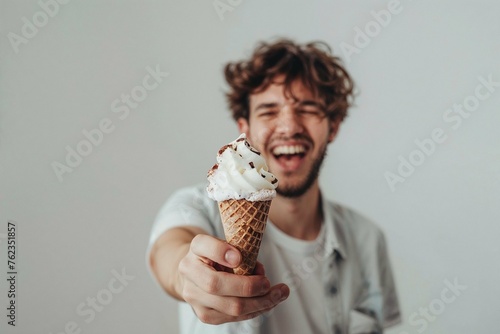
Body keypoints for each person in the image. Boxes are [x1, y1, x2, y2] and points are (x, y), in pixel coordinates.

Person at [147, 39, 401, 334]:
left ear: (333, 126)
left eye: (307, 108)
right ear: (246, 128)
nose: (289, 126)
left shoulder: (367, 240)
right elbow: (168, 252)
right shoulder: (198, 207)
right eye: (269, 111)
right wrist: (186, 277)